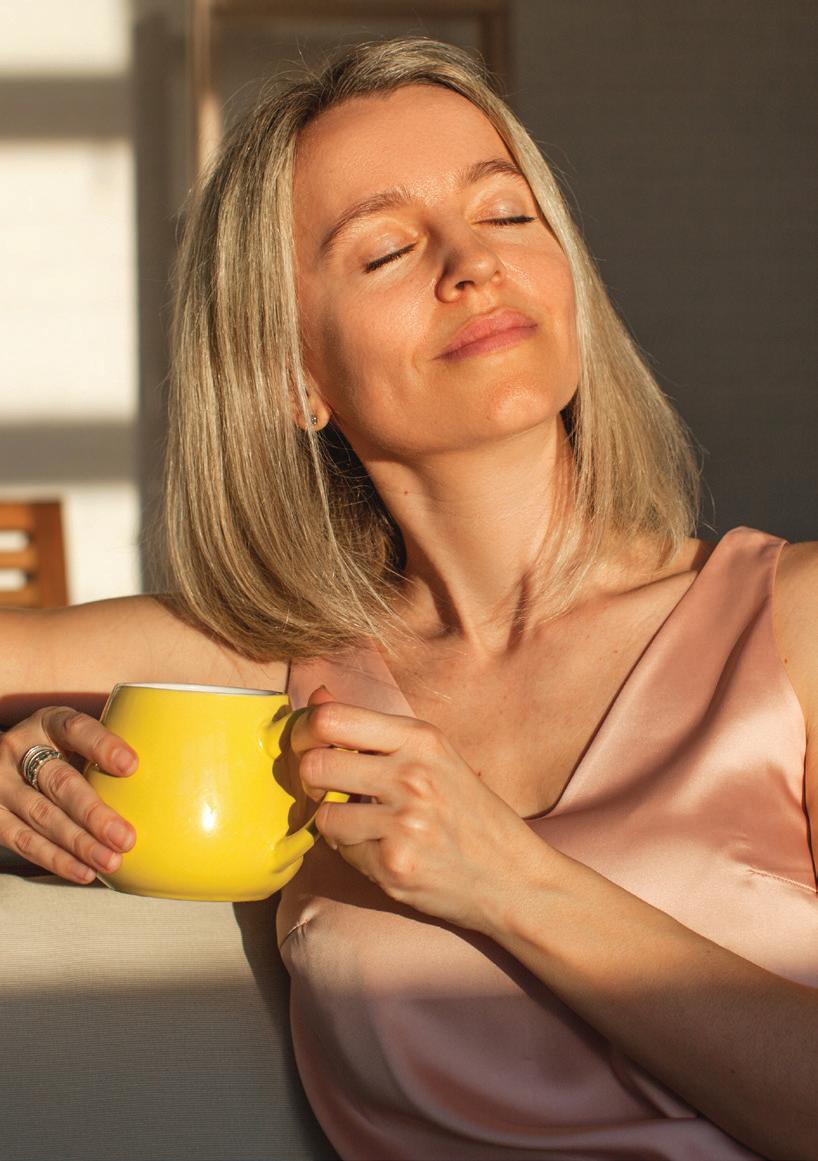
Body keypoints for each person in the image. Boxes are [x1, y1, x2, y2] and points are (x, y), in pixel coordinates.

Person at [1, 36, 817, 1161]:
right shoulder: (278, 677)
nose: (472, 263)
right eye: (385, 249)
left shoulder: (793, 622)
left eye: (505, 214)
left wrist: (507, 879)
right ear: (292, 376)